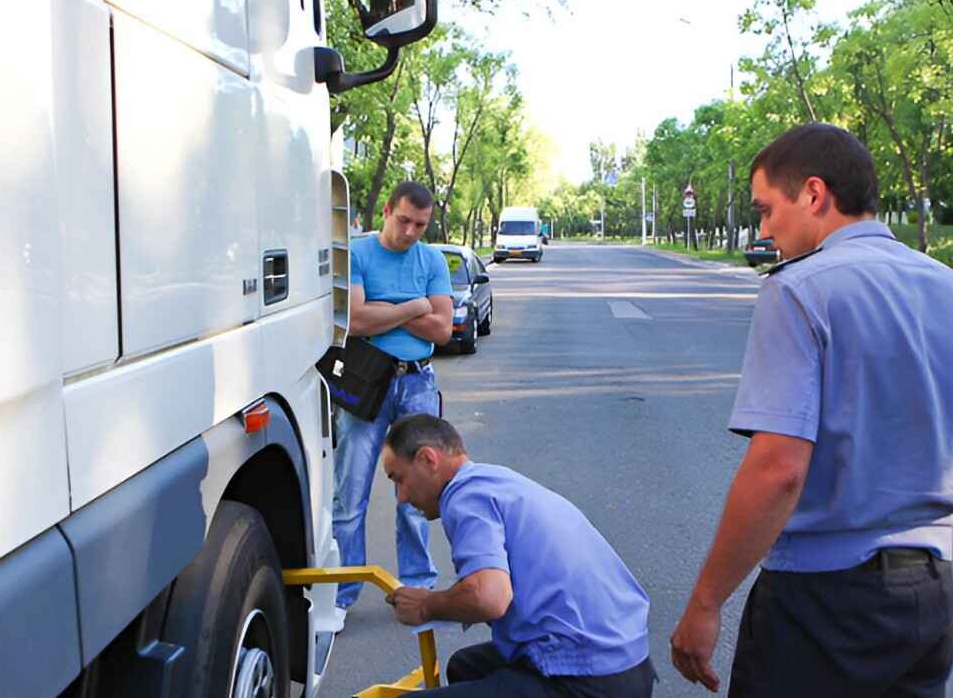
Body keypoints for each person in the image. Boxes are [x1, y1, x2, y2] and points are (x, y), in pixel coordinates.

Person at [671, 123, 953, 696]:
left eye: (767, 209)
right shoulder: (943, 285)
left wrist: (705, 603)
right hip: (937, 591)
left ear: (814, 195)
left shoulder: (800, 289)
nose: (764, 229)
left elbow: (779, 469)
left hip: (829, 600)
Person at [382, 414, 655, 697]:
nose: (400, 497)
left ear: (428, 459)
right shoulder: (494, 481)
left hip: (588, 676)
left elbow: (488, 597)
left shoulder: (464, 498)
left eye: (398, 479)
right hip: (626, 661)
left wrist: (427, 605)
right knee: (465, 666)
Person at [333, 181, 453, 619]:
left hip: (417, 381)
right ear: (386, 210)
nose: (410, 232)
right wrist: (415, 305)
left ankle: (417, 587)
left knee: (421, 489)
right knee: (350, 492)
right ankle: (342, 595)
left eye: (420, 224)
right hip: (367, 381)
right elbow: (357, 320)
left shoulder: (433, 258)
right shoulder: (359, 254)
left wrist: (388, 309)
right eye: (403, 220)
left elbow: (442, 330)